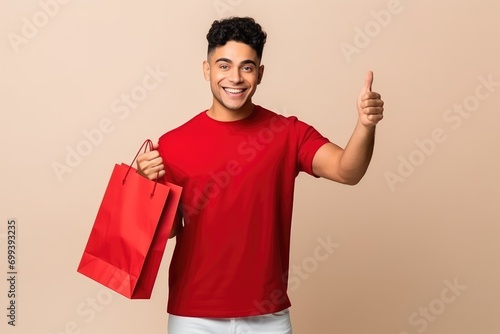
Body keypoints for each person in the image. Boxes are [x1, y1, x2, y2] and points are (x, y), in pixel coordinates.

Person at [136, 16, 384, 334]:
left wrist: (365, 126)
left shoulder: (288, 133)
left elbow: (346, 171)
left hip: (268, 317)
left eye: (247, 67)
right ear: (206, 69)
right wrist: (148, 183)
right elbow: (169, 231)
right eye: (223, 66)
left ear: (260, 74)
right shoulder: (173, 144)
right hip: (194, 315)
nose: (235, 78)